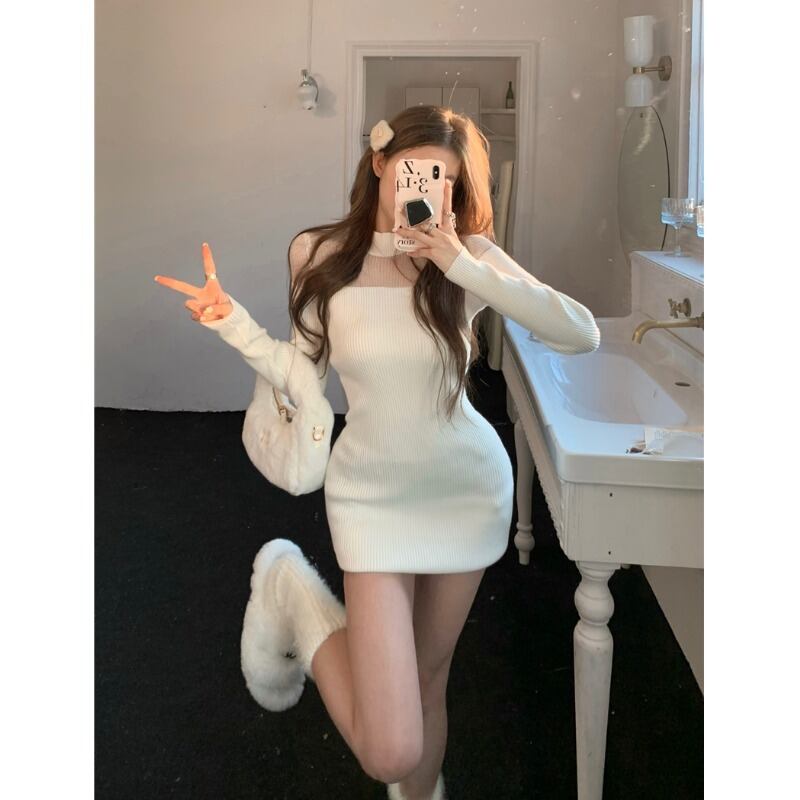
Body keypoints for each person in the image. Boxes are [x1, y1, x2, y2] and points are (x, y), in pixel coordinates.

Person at [154, 105, 600, 800]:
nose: (423, 190)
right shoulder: (319, 253)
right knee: (390, 747)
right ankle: (295, 593)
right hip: (370, 496)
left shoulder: (468, 258)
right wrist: (233, 324)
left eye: (443, 180)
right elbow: (303, 374)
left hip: (465, 490)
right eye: (412, 172)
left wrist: (460, 264)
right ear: (379, 163)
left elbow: (580, 333)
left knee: (426, 682)